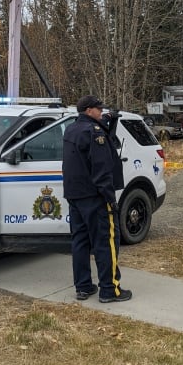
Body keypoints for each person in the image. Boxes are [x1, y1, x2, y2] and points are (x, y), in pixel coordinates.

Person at [62, 94, 131, 303]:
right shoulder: (94, 132)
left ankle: (83, 287)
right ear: (89, 110)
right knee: (106, 242)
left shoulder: (72, 128)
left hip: (74, 196)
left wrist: (110, 124)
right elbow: (101, 168)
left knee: (80, 242)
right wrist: (110, 198)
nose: (101, 112)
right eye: (98, 110)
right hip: (95, 196)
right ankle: (110, 289)